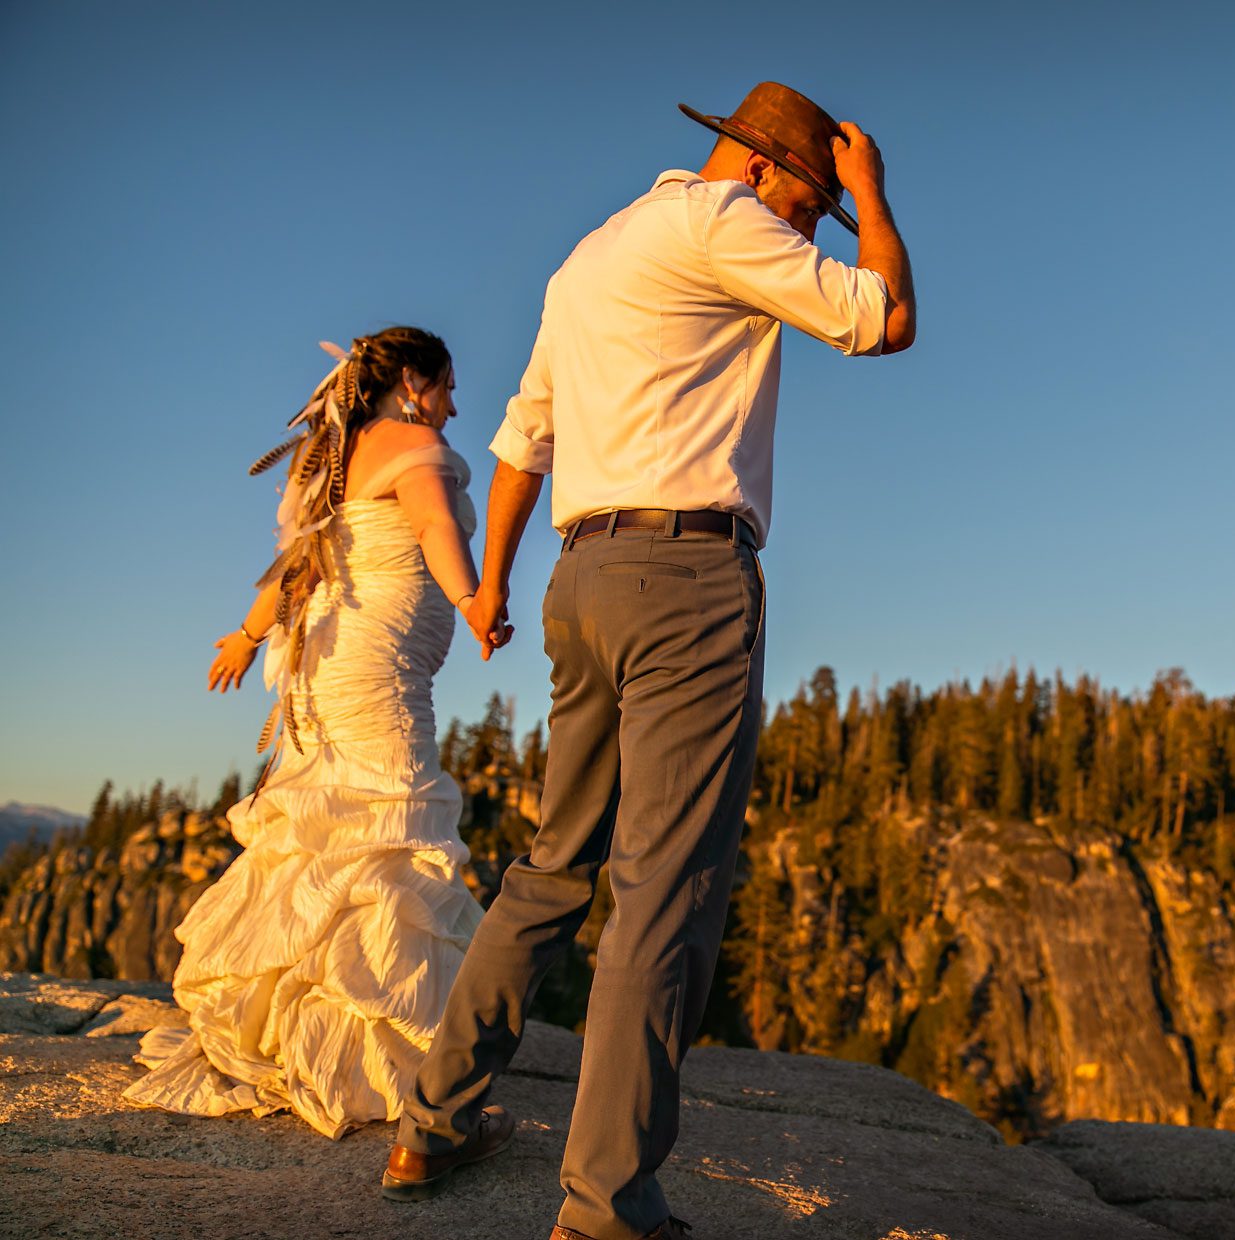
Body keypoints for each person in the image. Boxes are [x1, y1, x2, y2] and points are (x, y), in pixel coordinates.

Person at [382, 83, 915, 1240]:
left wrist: (497, 585)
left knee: (552, 864)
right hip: (687, 578)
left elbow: (524, 436)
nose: (809, 230)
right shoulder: (727, 225)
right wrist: (872, 193)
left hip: (584, 577)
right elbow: (882, 317)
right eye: (812, 203)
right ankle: (606, 1202)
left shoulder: (590, 256)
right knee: (663, 891)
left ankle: (433, 1116)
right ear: (770, 168)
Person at [123, 327, 499, 1139]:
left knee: (333, 827)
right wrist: (474, 601)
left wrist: (248, 633)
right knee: (386, 827)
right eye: (447, 386)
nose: (453, 403)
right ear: (410, 380)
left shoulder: (342, 452)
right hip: (377, 667)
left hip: (332, 659)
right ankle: (373, 1063)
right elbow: (438, 530)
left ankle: (299, 1032)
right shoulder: (412, 444)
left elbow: (303, 562)